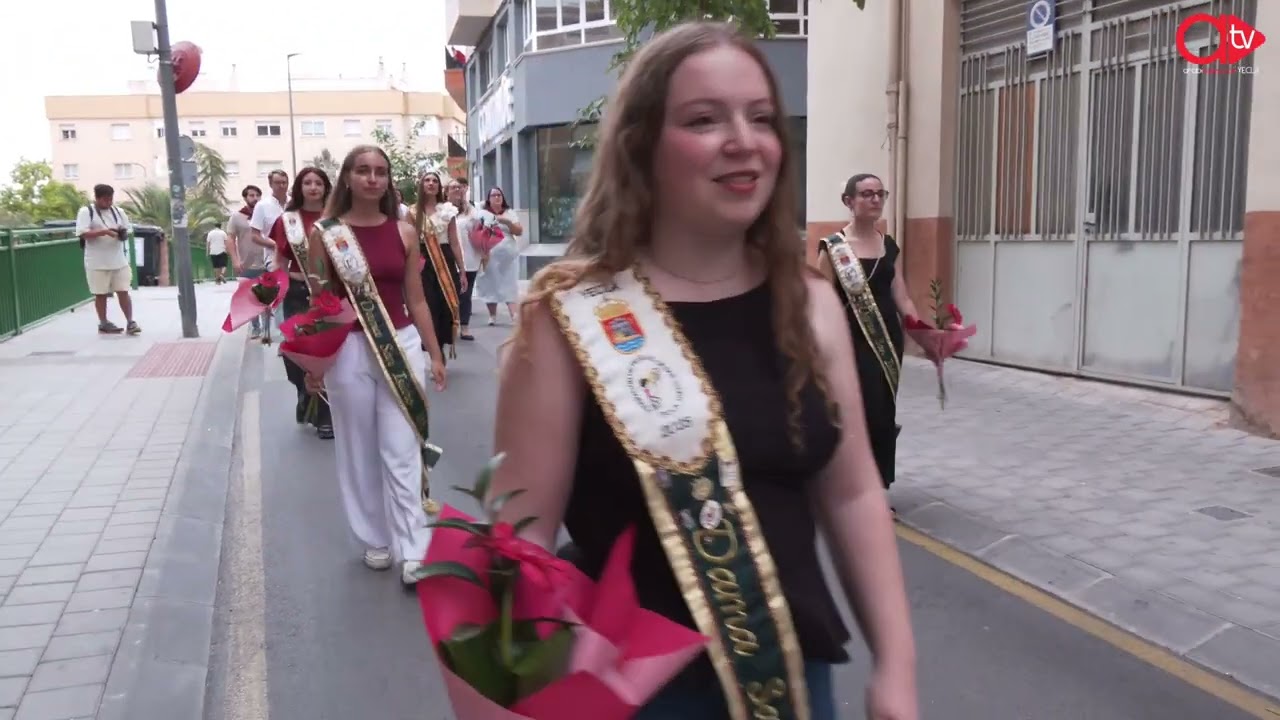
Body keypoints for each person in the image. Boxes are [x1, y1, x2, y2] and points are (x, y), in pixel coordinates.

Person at [488, 21, 917, 720]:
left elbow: (852, 495)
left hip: (792, 681)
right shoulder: (566, 317)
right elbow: (519, 540)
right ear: (642, 147)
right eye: (703, 119)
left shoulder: (808, 303)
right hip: (635, 694)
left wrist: (895, 670)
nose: (743, 140)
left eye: (761, 118)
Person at [304, 145, 448, 585]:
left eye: (380, 172)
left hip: (400, 343)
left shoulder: (405, 232)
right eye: (363, 171)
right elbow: (319, 303)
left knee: (402, 447)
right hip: (347, 349)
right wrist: (315, 363)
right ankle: (375, 539)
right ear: (347, 178)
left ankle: (413, 547)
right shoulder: (326, 235)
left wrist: (435, 352)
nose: (372, 178)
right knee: (358, 446)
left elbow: (416, 298)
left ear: (388, 181)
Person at [816, 174, 921, 495]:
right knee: (852, 414)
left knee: (881, 414)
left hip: (886, 341)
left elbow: (901, 296)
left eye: (880, 194)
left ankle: (878, 487)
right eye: (866, 194)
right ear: (849, 201)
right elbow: (822, 301)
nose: (875, 200)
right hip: (848, 342)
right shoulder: (833, 248)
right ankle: (847, 485)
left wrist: (926, 332)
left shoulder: (889, 247)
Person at [268, 167, 334, 439]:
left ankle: (325, 416)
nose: (313, 187)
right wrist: (274, 285)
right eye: (307, 182)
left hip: (329, 293)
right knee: (296, 357)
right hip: (296, 291)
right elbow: (279, 260)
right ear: (299, 187)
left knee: (323, 354)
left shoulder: (336, 220)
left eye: (318, 182)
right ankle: (303, 393)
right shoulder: (288, 221)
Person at [409, 171, 466, 359]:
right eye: (427, 180)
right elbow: (409, 242)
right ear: (421, 185)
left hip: (445, 260)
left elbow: (454, 242)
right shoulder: (412, 212)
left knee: (445, 304)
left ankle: (441, 345)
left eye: (435, 180)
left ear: (439, 186)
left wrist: (462, 271)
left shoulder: (447, 210)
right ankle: (434, 351)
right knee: (428, 304)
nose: (431, 183)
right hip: (423, 261)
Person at [75, 184, 140, 335]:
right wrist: (103, 232)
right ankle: (103, 322)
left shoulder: (118, 212)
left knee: (123, 290)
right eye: (105, 200)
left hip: (118, 259)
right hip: (96, 261)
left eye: (110, 199)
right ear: (97, 198)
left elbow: (127, 230)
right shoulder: (87, 212)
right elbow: (82, 233)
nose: (108, 203)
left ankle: (130, 321)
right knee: (100, 293)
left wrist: (121, 232)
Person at [472, 186, 523, 326]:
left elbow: (519, 231)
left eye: (499, 195)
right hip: (489, 253)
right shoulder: (482, 213)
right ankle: (492, 315)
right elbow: (476, 231)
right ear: (488, 199)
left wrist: (507, 222)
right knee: (489, 282)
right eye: (493, 195)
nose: (497, 197)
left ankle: (514, 315)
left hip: (508, 253)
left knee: (509, 282)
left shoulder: (509, 213)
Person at [227, 185, 271, 340]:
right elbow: (230, 239)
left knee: (267, 297)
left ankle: (267, 329)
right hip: (247, 264)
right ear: (245, 198)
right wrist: (235, 260)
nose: (255, 198)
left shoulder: (266, 215)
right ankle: (255, 327)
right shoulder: (237, 217)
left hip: (267, 262)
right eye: (251, 195)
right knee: (251, 297)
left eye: (257, 195)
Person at [250, 170, 289, 344]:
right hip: (274, 259)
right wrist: (276, 245)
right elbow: (255, 236)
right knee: (281, 296)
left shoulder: (294, 203)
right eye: (278, 182)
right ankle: (284, 339)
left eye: (284, 182)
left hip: (297, 259)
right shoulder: (262, 206)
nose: (282, 186)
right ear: (270, 184)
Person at [447, 177, 480, 341]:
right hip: (448, 259)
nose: (457, 190)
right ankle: (450, 325)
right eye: (453, 188)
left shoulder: (471, 210)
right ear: (446, 191)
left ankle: (465, 328)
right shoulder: (442, 210)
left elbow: (480, 230)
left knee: (465, 295)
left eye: (459, 187)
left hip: (470, 258)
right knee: (448, 294)